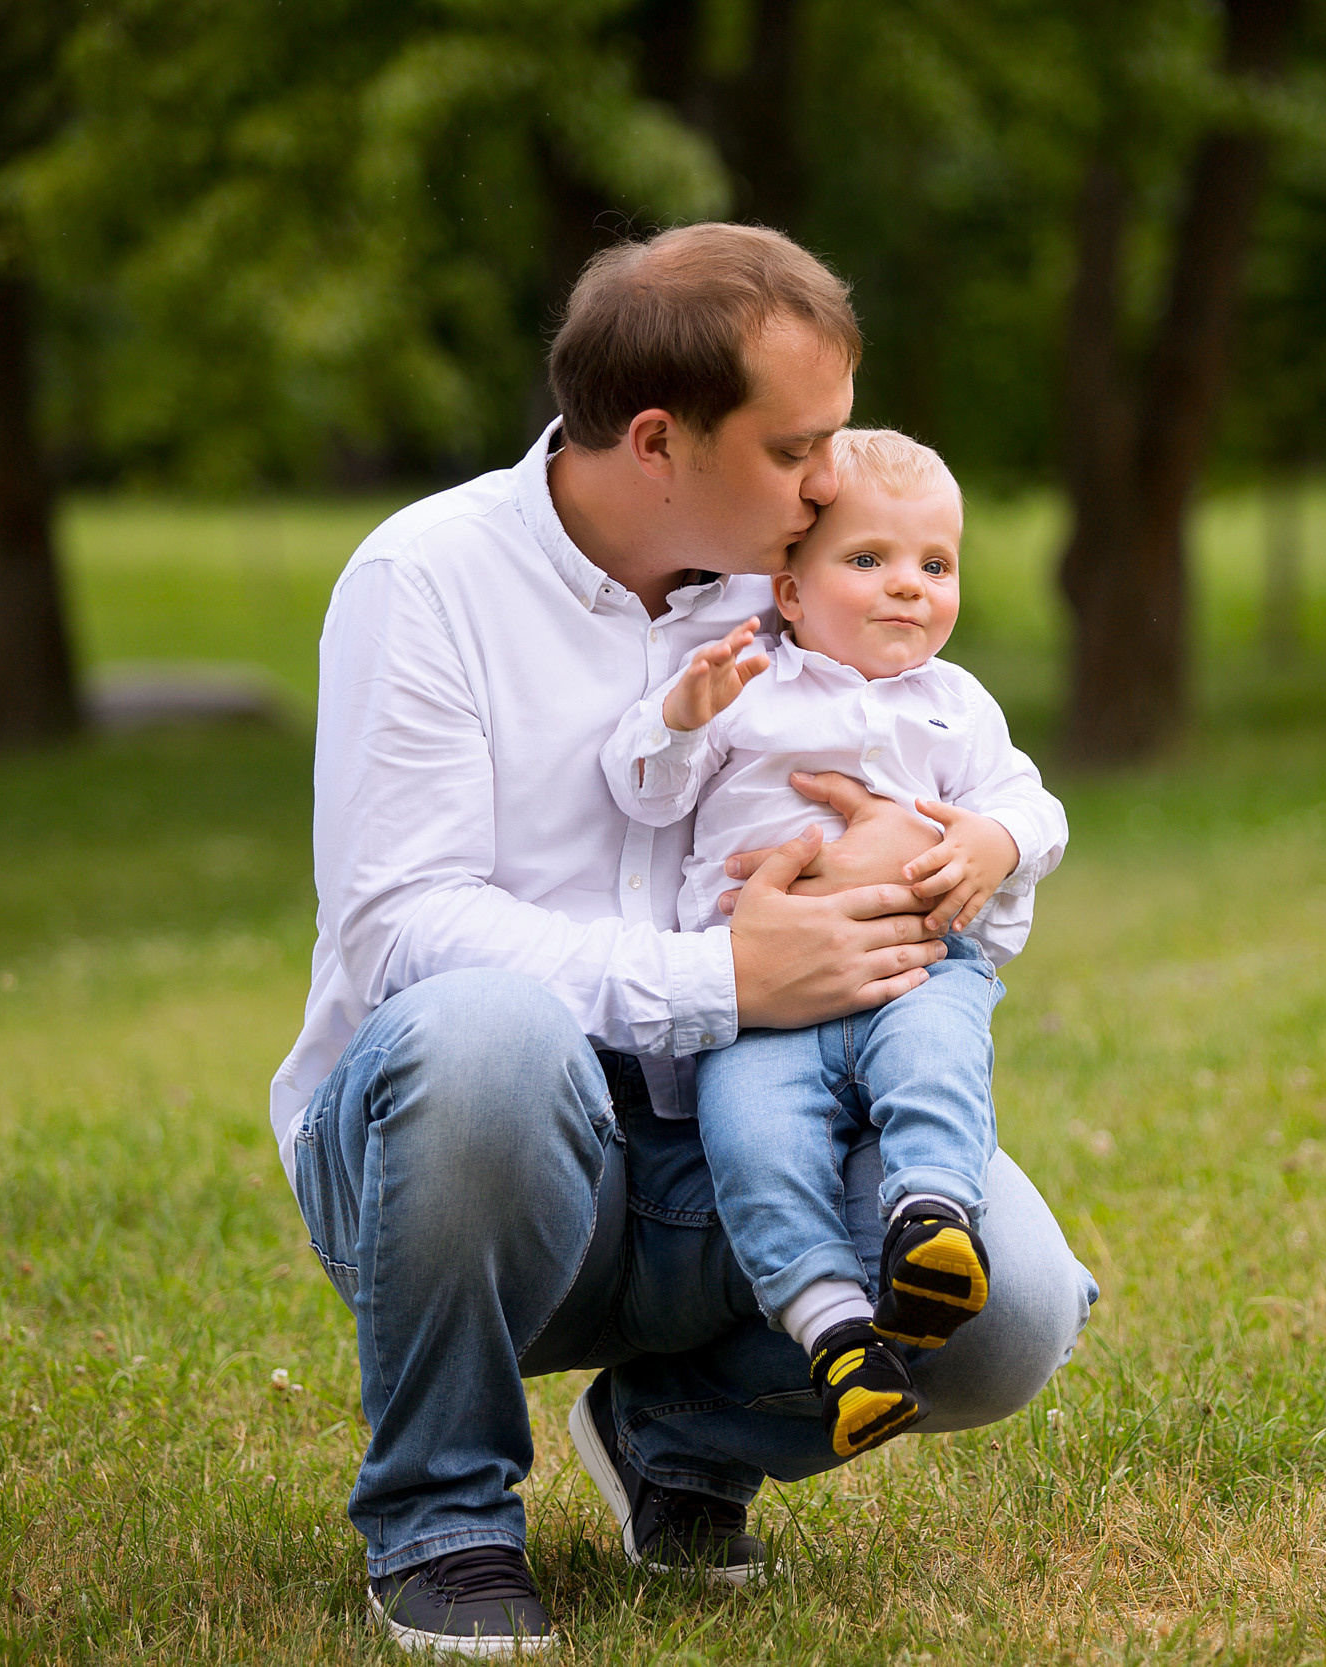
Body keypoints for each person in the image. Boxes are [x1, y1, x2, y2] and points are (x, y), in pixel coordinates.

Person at [269, 223, 1097, 1656]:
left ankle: (673, 1435)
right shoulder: (429, 583)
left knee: (1008, 1306)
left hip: (732, 1146)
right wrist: (721, 976)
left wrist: (929, 865)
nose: (834, 480)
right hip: (480, 1169)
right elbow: (402, 927)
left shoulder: (804, 588)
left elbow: (965, 825)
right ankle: (444, 1517)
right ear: (657, 441)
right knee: (485, 1029)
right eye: (798, 450)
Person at [598, 428, 1066, 1462]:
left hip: (915, 972)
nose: (907, 587)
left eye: (933, 565)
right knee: (755, 1145)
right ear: (791, 591)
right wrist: (680, 719)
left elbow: (1035, 809)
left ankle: (927, 1217)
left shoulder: (957, 706)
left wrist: (994, 837)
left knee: (935, 1066)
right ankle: (833, 1332)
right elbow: (644, 789)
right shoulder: (747, 680)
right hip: (758, 1007)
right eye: (868, 560)